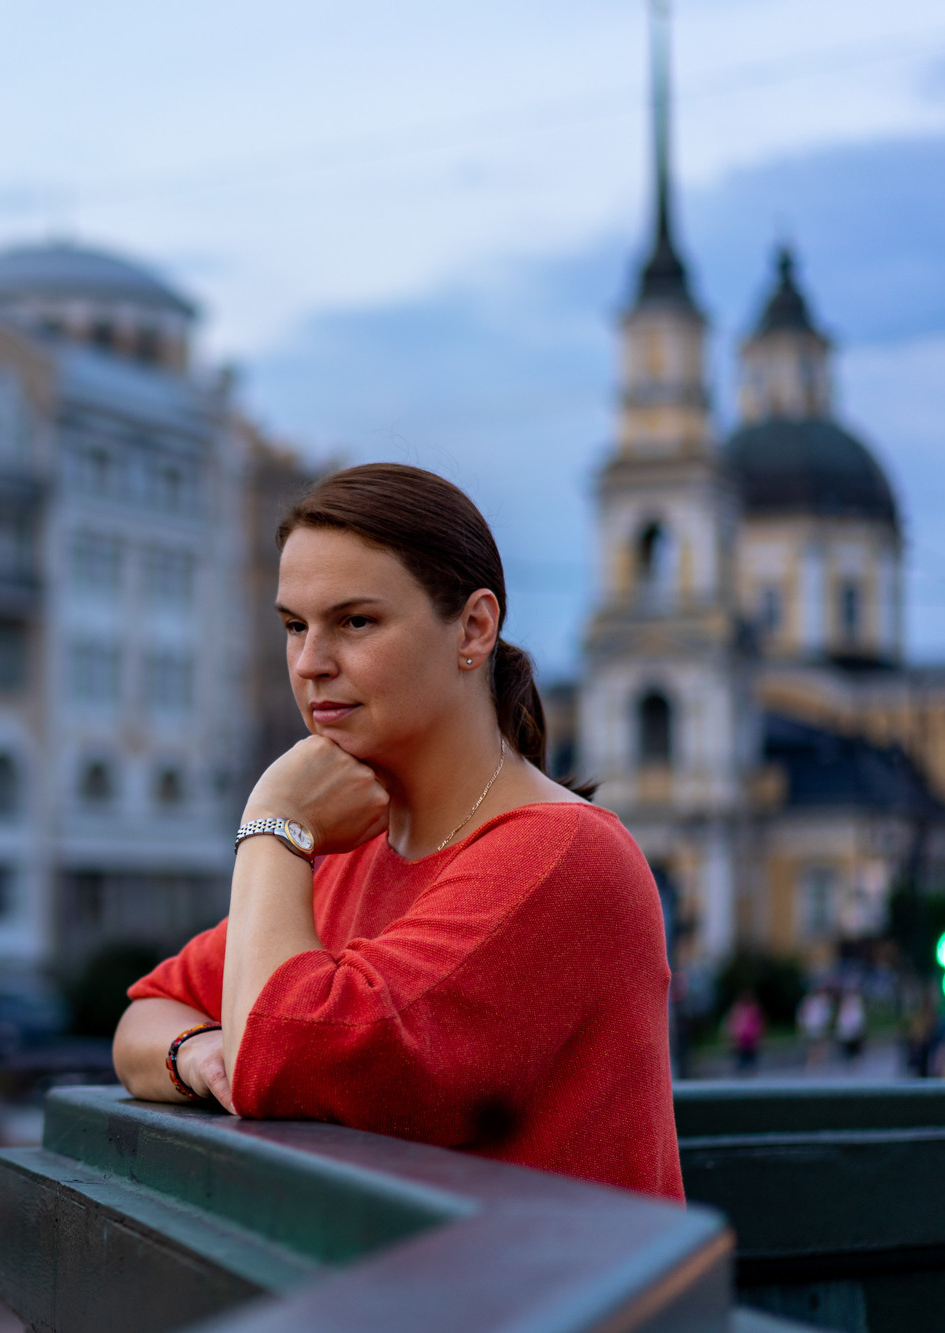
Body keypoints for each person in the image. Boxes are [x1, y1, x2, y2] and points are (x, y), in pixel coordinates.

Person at [110, 463, 683, 1202]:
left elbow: (289, 1053)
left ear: (474, 628)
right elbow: (143, 1018)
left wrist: (271, 821)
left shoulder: (563, 856)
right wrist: (197, 1051)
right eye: (293, 626)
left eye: (355, 621)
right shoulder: (344, 853)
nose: (312, 663)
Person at [726, 990, 764, 1075]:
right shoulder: (738, 1009)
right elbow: (732, 1025)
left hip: (750, 1042)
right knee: (741, 1065)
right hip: (741, 1042)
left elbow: (759, 1025)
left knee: (750, 1065)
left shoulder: (753, 1009)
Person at [797, 986, 835, 1070]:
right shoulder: (810, 1001)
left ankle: (818, 1063)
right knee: (814, 1045)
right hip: (813, 1026)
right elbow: (802, 1013)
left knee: (820, 1044)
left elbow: (826, 1013)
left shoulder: (820, 1000)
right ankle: (812, 1063)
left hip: (818, 1026)